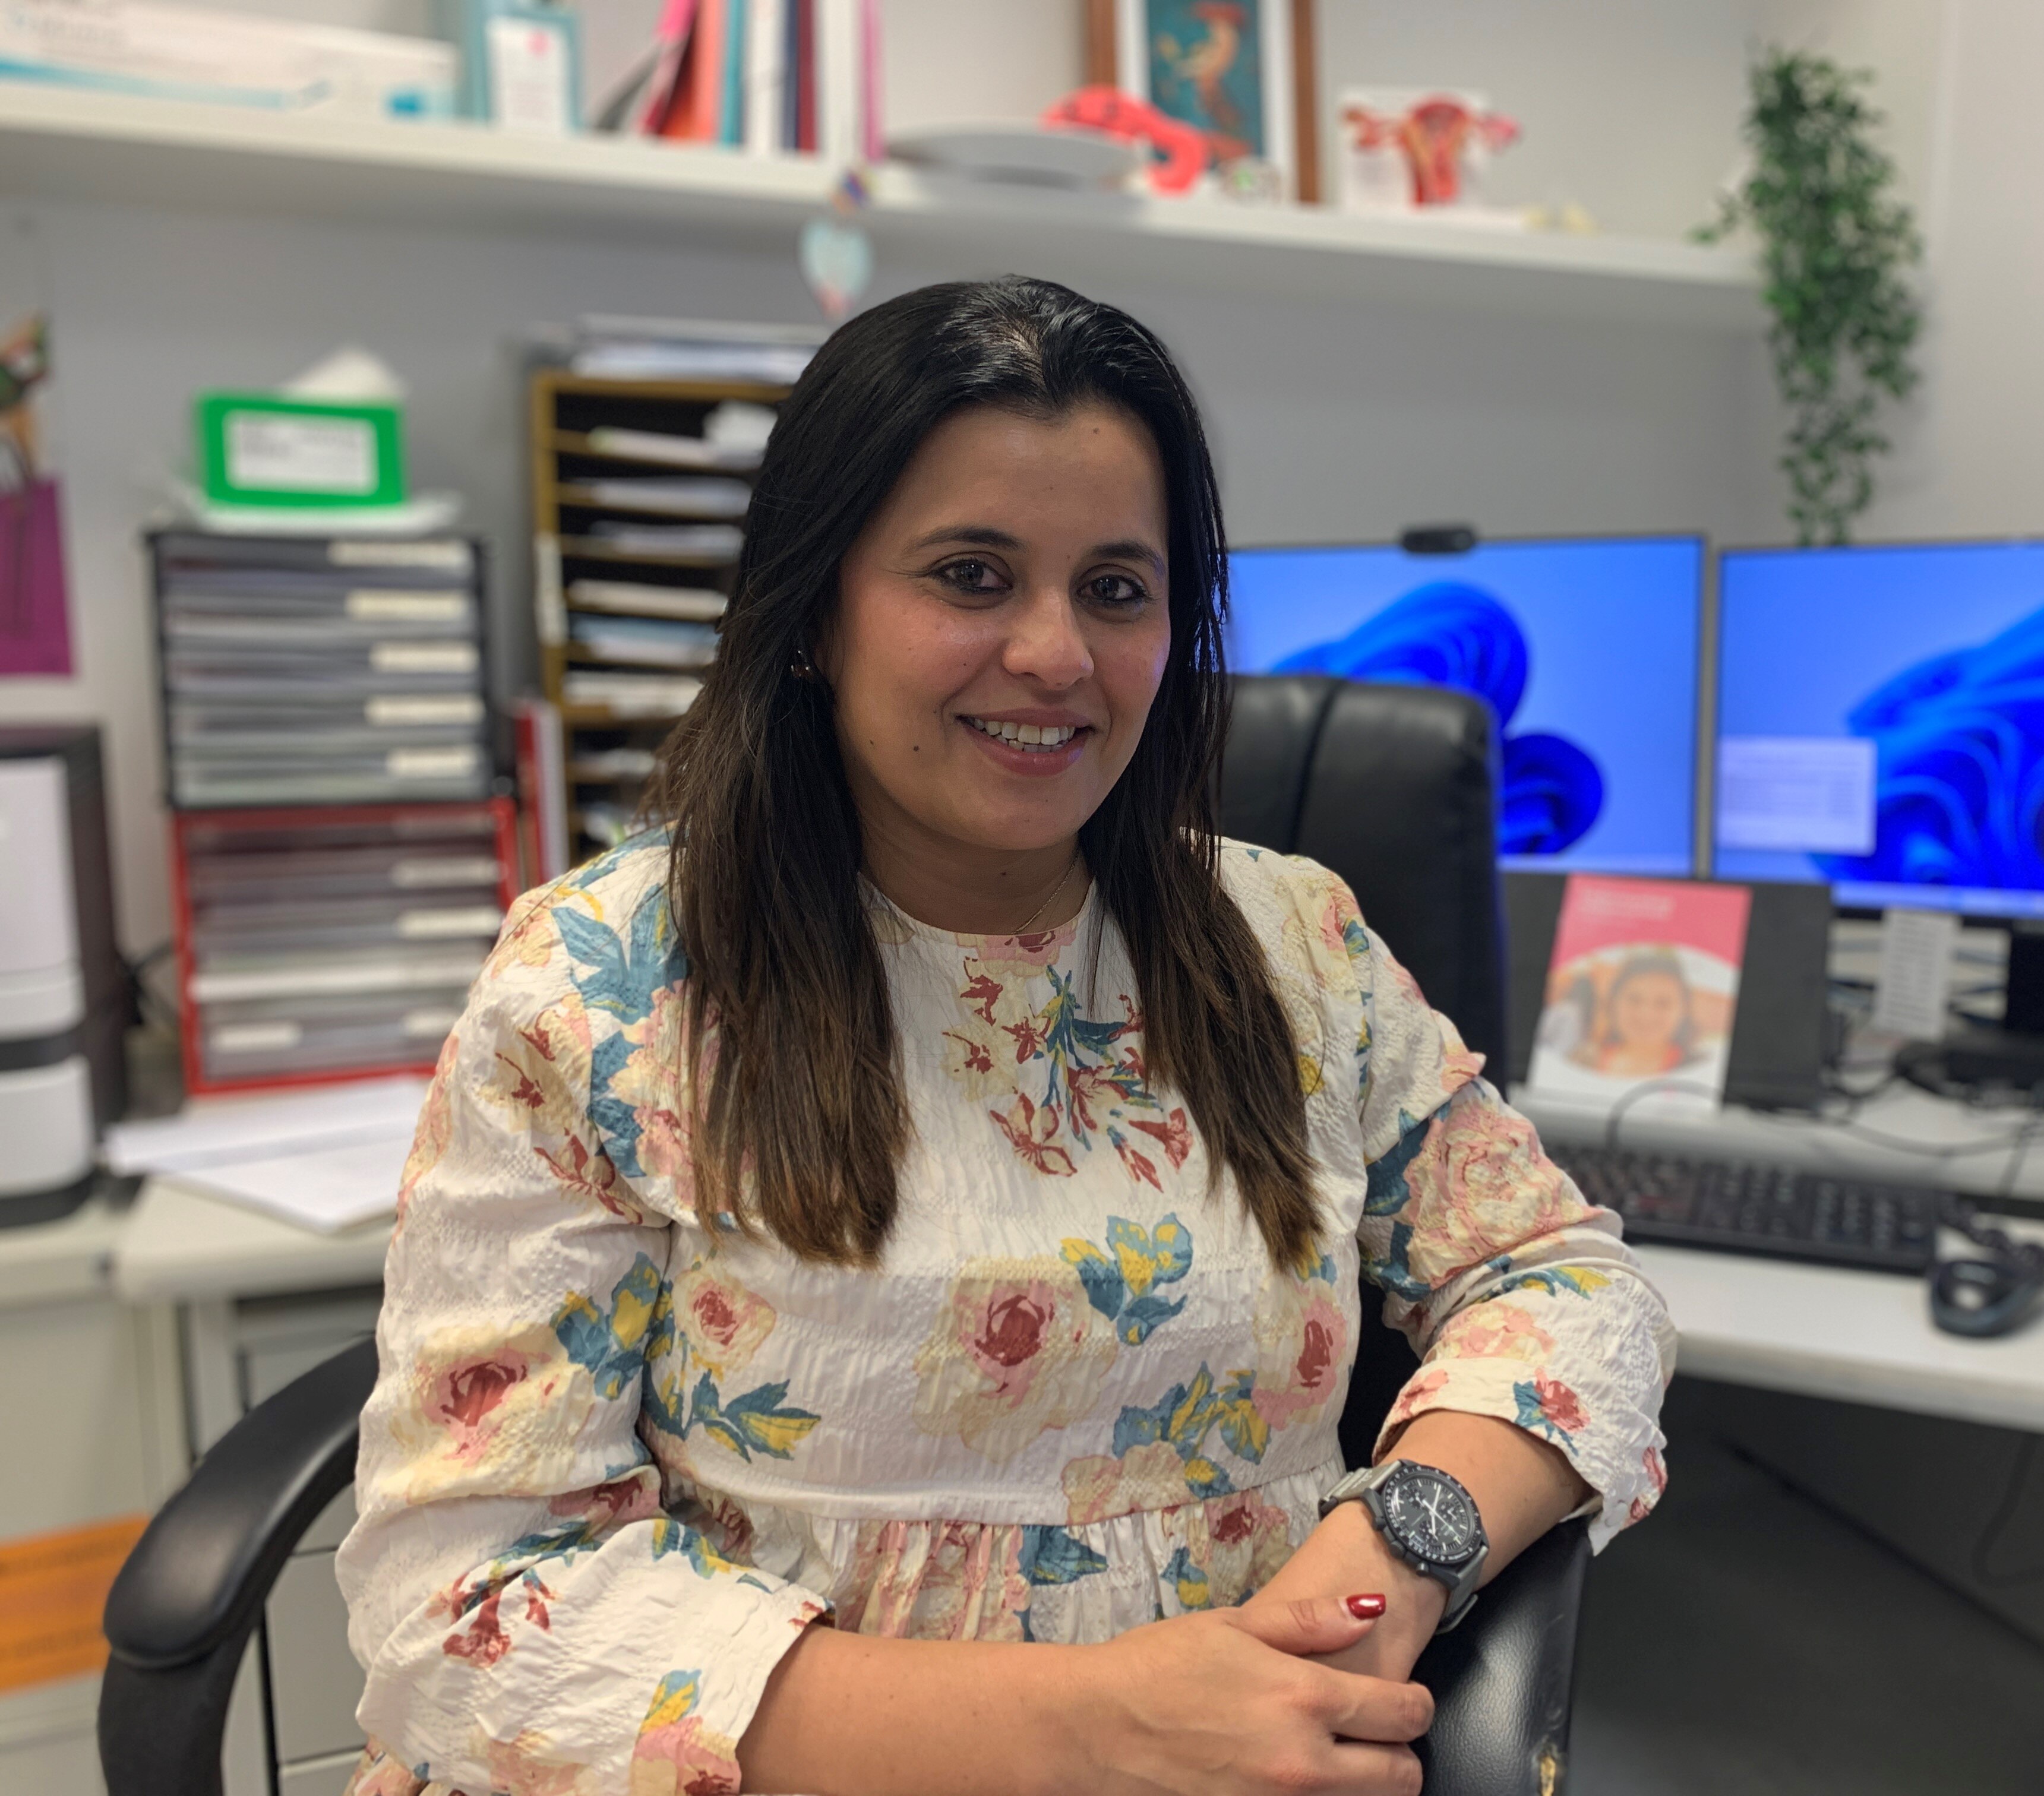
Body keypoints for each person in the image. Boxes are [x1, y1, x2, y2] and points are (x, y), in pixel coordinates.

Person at [336, 277, 1675, 1796]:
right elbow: (467, 1607)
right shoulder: (601, 986)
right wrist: (1091, 1728)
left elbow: (1564, 1284)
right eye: (971, 575)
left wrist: (1390, 1565)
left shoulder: (1292, 946)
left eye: (1116, 588)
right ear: (816, 612)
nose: (1055, 654)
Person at [1587, 949, 1698, 1079]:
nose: (1646, 1014)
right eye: (1634, 999)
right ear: (1614, 1002)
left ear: (1684, 1010)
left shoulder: (1697, 1069)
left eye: (1663, 1003)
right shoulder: (1585, 1060)